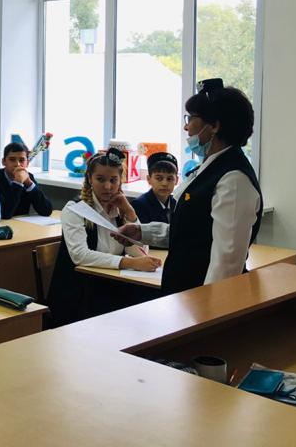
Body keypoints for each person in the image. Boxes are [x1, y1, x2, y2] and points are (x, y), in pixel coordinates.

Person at [120, 80, 263, 294]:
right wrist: (142, 232)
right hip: (183, 292)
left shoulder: (234, 179)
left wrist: (209, 309)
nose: (186, 127)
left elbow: (226, 261)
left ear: (214, 126)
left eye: (191, 118)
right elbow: (193, 232)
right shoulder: (209, 167)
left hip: (203, 298)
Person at [48, 149, 162, 327]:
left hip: (110, 284)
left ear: (120, 180)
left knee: (152, 302)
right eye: (100, 179)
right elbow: (80, 255)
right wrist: (129, 263)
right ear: (90, 179)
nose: (108, 186)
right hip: (79, 291)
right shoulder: (75, 209)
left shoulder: (120, 209)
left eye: (113, 180)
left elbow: (140, 253)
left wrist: (130, 213)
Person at [0, 141, 53, 219]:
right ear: (4, 162)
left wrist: (29, 183)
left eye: (21, 160)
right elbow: (5, 214)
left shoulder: (29, 177)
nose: (17, 164)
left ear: (27, 163)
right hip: (0, 223)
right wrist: (18, 183)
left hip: (21, 223)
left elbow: (46, 211)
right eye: (12, 159)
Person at [131, 152, 179, 224]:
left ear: (176, 180)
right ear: (149, 179)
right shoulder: (139, 205)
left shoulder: (177, 203)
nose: (164, 183)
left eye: (169, 179)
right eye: (159, 178)